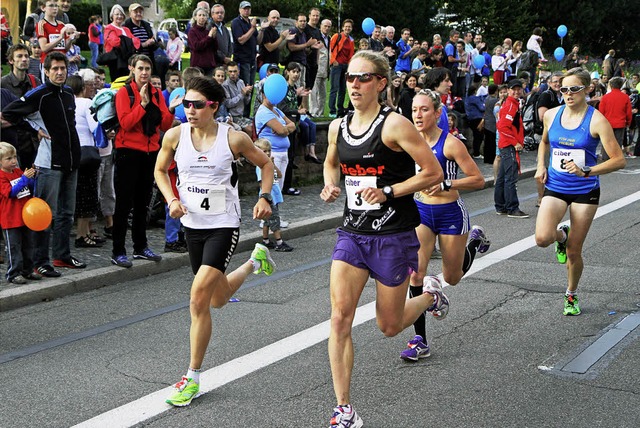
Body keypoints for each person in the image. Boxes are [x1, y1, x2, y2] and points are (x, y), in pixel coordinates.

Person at [320, 50, 444, 428]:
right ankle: (344, 409)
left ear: (380, 83)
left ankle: (431, 294)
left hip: (393, 236)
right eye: (350, 77)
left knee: (389, 327)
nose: (354, 84)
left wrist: (389, 192)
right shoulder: (337, 126)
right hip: (353, 234)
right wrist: (331, 183)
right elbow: (331, 159)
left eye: (363, 77)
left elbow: (432, 172)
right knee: (339, 318)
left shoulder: (396, 126)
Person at [154, 76, 276, 407]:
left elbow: (267, 164)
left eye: (196, 105)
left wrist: (265, 197)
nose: (189, 110)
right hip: (192, 225)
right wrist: (171, 200)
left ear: (214, 107)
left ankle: (191, 377)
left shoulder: (233, 139)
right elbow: (160, 171)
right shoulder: (175, 136)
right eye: (185, 104)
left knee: (198, 299)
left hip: (223, 224)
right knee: (218, 299)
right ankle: (254, 262)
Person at [399, 89, 489, 361]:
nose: (418, 114)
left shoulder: (450, 144)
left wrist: (448, 183)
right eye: (414, 109)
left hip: (450, 213)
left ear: (438, 113)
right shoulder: (407, 142)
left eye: (424, 109)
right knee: (416, 275)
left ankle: (475, 241)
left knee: (452, 278)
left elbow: (478, 179)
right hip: (421, 212)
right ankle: (420, 340)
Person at [534, 68, 626, 316]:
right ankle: (560, 237)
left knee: (575, 251)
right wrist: (541, 165)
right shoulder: (551, 115)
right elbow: (544, 142)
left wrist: (587, 170)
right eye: (564, 89)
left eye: (574, 89)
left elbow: (618, 160)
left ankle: (571, 293)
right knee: (543, 238)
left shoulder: (597, 121)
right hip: (555, 187)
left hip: (585, 190)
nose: (568, 94)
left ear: (588, 89)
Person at [1, 51, 85, 277]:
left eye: (63, 68)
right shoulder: (39, 94)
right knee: (47, 213)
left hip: (71, 160)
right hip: (48, 163)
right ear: (45, 72)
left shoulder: (68, 92)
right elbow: (9, 113)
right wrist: (33, 129)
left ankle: (62, 255)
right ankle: (40, 261)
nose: (59, 72)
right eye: (55, 69)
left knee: (67, 214)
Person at [110, 54, 179, 268]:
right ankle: (118, 250)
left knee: (143, 203)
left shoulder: (156, 92)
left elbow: (165, 125)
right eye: (140, 68)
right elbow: (126, 123)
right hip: (128, 152)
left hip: (150, 152)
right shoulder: (124, 93)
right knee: (123, 204)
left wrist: (171, 108)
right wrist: (142, 104)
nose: (144, 73)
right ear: (132, 69)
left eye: (148, 69)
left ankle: (140, 247)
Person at [0, 142, 41, 284]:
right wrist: (24, 179)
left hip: (25, 216)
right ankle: (13, 273)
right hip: (10, 219)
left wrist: (32, 178)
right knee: (14, 248)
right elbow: (11, 192)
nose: (13, 161)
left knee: (29, 245)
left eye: (14, 157)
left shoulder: (18, 172)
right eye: (8, 158)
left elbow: (29, 189)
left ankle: (28, 270)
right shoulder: (1, 176)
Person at [495, 78, 528, 218]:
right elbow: (502, 126)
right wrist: (515, 142)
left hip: (505, 145)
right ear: (508, 90)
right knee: (510, 178)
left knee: (502, 177)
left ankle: (501, 206)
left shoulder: (511, 104)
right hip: (509, 146)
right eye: (513, 89)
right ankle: (512, 208)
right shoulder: (510, 105)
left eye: (518, 89)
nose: (516, 91)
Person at [254, 138, 293, 251]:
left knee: (267, 220)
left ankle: (265, 240)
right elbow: (262, 184)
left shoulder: (269, 165)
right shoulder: (260, 167)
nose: (267, 153)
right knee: (275, 220)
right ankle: (279, 242)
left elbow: (279, 175)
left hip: (274, 197)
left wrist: (273, 165)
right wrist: (267, 197)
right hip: (269, 197)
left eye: (269, 150)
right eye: (264, 151)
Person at [231, 1, 260, 116]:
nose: (246, 11)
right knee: (245, 87)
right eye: (244, 9)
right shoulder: (236, 22)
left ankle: (247, 115)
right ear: (240, 10)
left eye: (248, 9)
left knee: (251, 88)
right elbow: (241, 40)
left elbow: (257, 39)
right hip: (242, 60)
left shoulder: (250, 22)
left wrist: (261, 29)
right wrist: (253, 28)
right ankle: (241, 114)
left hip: (252, 59)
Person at [599, 76, 632, 161]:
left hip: (607, 123)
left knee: (606, 140)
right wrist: (628, 122)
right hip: (620, 123)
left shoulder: (605, 97)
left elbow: (601, 111)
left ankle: (605, 157)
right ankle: (616, 158)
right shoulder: (625, 97)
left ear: (611, 85)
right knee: (618, 141)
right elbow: (628, 112)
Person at [103, 5, 140, 79]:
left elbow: (137, 43)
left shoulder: (126, 29)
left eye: (121, 14)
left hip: (128, 60)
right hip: (116, 62)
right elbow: (115, 43)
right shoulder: (109, 28)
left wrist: (124, 40)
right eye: (117, 14)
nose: (119, 16)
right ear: (112, 16)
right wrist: (128, 41)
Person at [328, 19, 354, 118]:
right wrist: (333, 61)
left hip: (345, 66)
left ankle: (340, 109)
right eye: (346, 26)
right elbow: (330, 49)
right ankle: (332, 110)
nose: (347, 28)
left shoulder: (351, 40)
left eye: (349, 27)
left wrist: (349, 65)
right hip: (336, 65)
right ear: (343, 27)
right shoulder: (337, 36)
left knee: (343, 89)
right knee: (334, 88)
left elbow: (351, 54)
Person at [221, 61, 253, 136]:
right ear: (227, 72)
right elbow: (228, 104)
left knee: (255, 126)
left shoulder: (241, 82)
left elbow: (247, 102)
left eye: (235, 71)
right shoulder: (225, 85)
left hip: (241, 115)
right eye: (230, 71)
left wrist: (248, 94)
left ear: (238, 71)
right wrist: (242, 94)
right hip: (232, 116)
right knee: (249, 129)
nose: (233, 74)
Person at [187, 7, 218, 76]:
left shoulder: (207, 31)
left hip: (210, 65)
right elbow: (197, 46)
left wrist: (214, 37)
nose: (202, 17)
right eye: (200, 15)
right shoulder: (192, 32)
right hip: (198, 65)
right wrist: (209, 37)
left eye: (204, 15)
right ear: (195, 17)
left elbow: (215, 48)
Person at [309, 18, 331, 117]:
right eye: (325, 26)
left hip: (325, 70)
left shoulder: (329, 38)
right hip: (316, 68)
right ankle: (313, 112)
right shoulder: (317, 36)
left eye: (329, 26)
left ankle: (321, 113)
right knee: (314, 92)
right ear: (321, 26)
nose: (326, 28)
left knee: (323, 93)